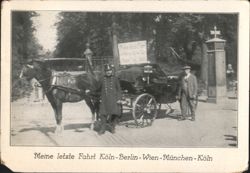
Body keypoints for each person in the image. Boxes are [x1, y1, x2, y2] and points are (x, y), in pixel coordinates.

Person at [98, 64, 122, 135]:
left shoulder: (115, 79)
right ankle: (103, 128)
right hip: (104, 99)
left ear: (112, 71)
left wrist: (119, 98)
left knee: (115, 113)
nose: (108, 72)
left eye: (110, 70)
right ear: (105, 72)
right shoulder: (102, 79)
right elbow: (97, 88)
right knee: (102, 114)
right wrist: (89, 90)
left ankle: (112, 127)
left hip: (114, 99)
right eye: (107, 71)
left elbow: (119, 90)